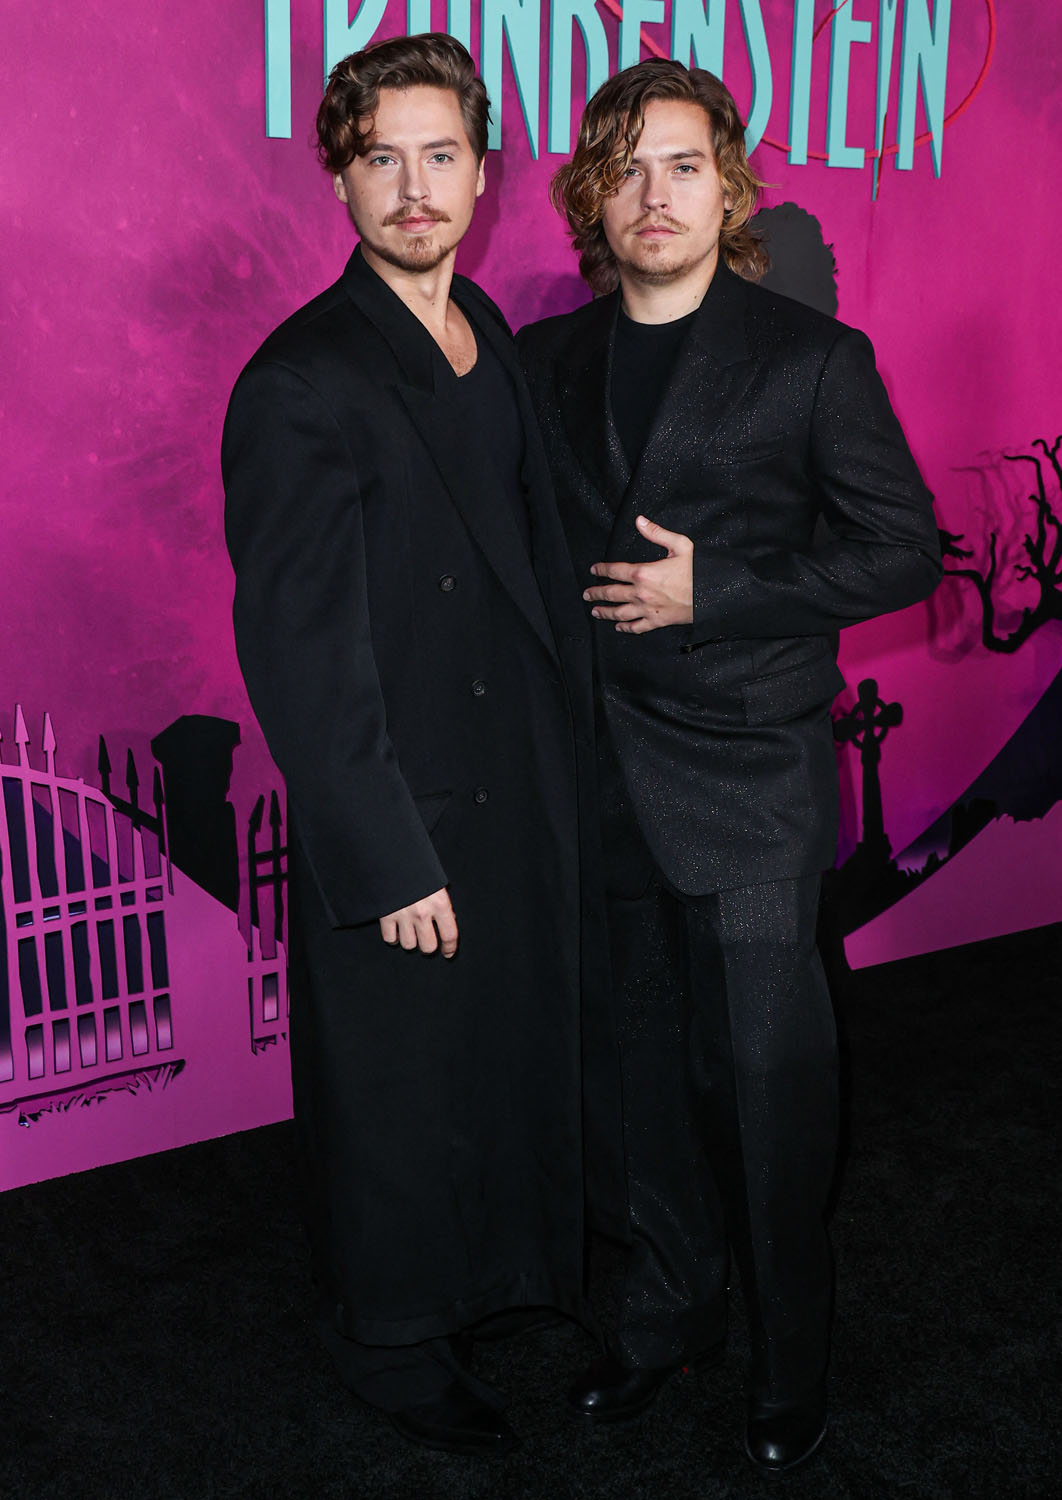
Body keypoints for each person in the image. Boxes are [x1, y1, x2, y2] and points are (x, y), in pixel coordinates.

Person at [518, 59, 941, 1473]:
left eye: (685, 165)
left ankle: (788, 1353)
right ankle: (665, 1315)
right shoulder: (550, 359)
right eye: (628, 167)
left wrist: (723, 592)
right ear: (594, 193)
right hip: (601, 779)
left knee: (767, 1084)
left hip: (752, 780)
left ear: (730, 188)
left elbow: (904, 551)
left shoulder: (811, 357)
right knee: (637, 1080)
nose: (656, 194)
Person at [222, 33, 614, 1458]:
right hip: (402, 801)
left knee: (494, 1056)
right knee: (396, 1085)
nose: (412, 188)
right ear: (338, 177)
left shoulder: (485, 329)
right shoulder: (300, 380)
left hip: (514, 774)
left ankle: (496, 1280)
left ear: (483, 172)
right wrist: (384, 856)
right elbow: (300, 654)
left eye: (439, 154)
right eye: (379, 157)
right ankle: (390, 1343)